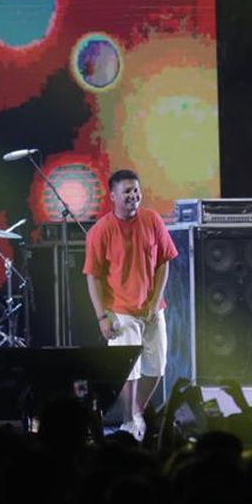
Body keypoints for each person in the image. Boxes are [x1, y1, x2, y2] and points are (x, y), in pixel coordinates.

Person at [83, 169, 177, 442]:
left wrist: (153, 300)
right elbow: (93, 277)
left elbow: (163, 262)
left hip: (152, 308)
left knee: (157, 367)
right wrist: (102, 316)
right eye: (127, 191)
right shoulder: (100, 230)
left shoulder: (152, 220)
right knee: (129, 370)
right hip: (120, 310)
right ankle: (127, 421)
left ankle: (136, 413)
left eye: (136, 190)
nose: (134, 196)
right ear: (113, 196)